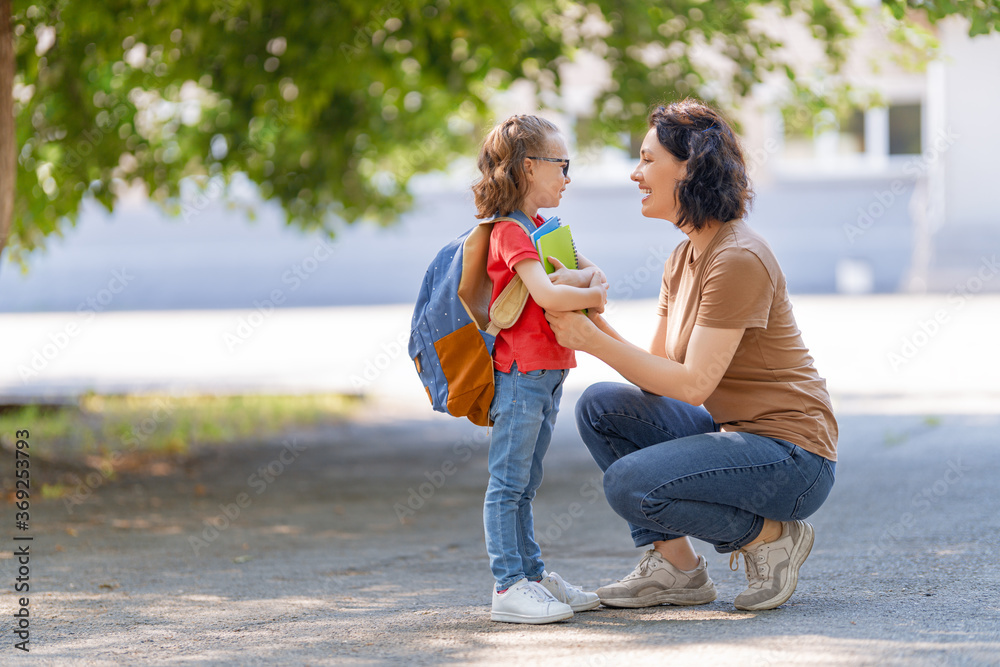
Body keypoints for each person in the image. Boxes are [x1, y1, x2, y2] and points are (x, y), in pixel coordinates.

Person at [545, 99, 838, 612]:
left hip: (793, 458)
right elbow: (658, 379)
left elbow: (693, 386)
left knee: (629, 483)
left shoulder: (737, 258)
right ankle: (677, 570)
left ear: (691, 166)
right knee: (600, 406)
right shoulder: (683, 257)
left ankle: (769, 536)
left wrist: (589, 339)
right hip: (741, 440)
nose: (635, 174)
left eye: (646, 159)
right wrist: (592, 308)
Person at [472, 114, 609, 623]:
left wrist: (586, 281)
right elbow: (555, 291)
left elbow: (593, 272)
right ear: (530, 168)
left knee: (525, 482)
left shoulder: (544, 230)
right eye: (562, 165)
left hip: (548, 374)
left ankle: (531, 574)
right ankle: (508, 586)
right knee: (508, 483)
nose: (568, 177)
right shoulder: (510, 231)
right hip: (522, 373)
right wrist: (589, 290)